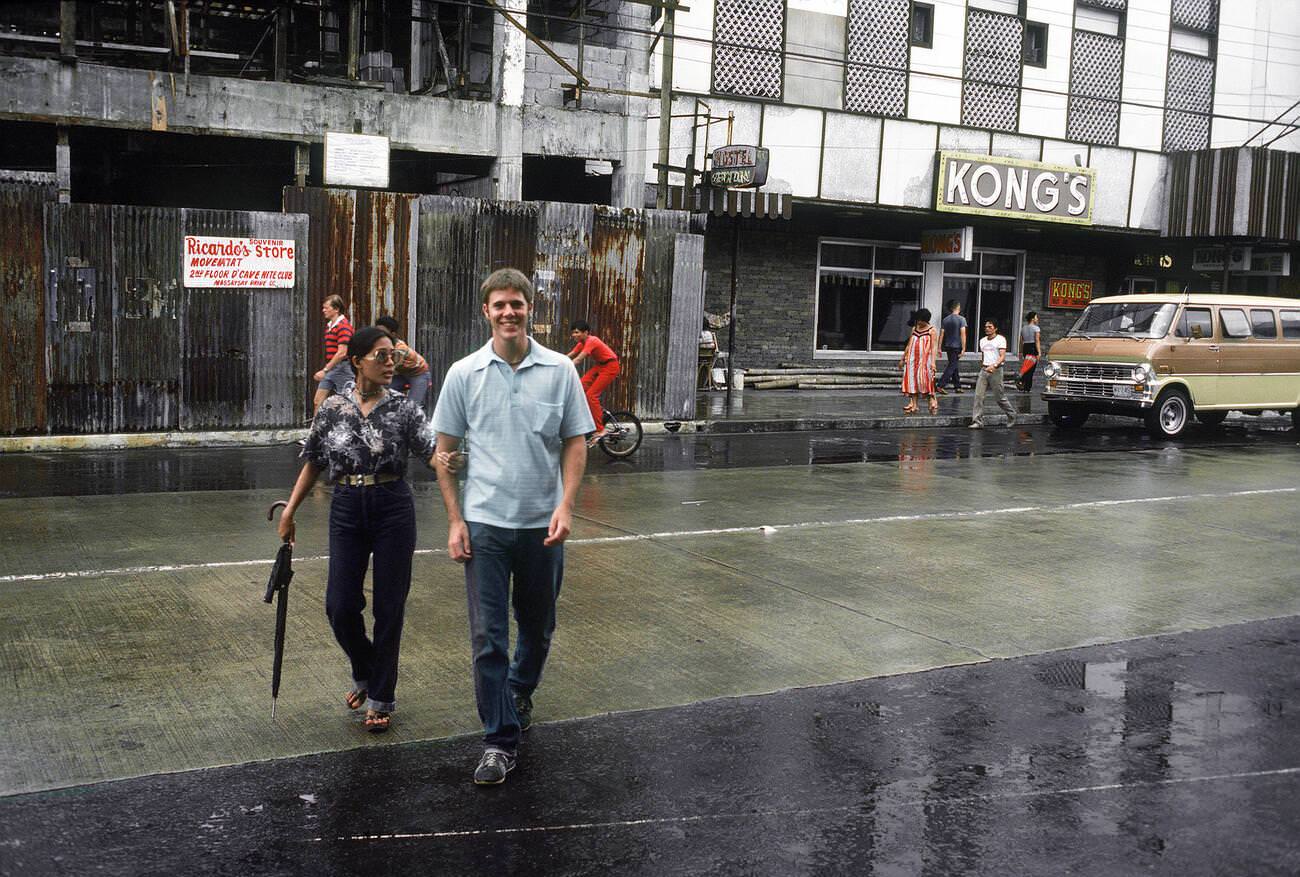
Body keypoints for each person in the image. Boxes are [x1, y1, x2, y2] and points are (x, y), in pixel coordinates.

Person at [431, 268, 593, 786]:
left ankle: (520, 689)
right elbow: (444, 451)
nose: (508, 313)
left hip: (542, 525)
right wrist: (455, 519)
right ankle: (498, 740)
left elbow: (575, 441)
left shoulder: (560, 370)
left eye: (516, 304)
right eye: (499, 305)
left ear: (529, 308)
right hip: (485, 526)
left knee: (539, 627)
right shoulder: (463, 374)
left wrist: (567, 506)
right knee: (488, 637)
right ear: (486, 312)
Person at [276, 325, 437, 733]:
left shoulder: (403, 408)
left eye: (393, 357)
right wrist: (290, 510)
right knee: (340, 605)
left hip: (393, 507)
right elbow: (313, 459)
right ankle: (365, 670)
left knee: (389, 606)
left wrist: (457, 467)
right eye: (380, 356)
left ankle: (381, 696)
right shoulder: (333, 408)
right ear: (356, 360)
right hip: (346, 505)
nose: (390, 364)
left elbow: (435, 453)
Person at [566, 320, 621, 446]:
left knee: (591, 396)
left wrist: (565, 369)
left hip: (610, 366)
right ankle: (590, 416)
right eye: (573, 333)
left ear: (586, 333)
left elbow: (579, 359)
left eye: (577, 332)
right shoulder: (581, 343)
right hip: (600, 366)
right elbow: (570, 355)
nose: (574, 335)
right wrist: (556, 363)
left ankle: (601, 429)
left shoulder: (592, 341)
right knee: (579, 387)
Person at [969, 319, 1018, 429]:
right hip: (984, 370)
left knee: (999, 397)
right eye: (986, 327)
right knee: (978, 396)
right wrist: (983, 366)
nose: (987, 329)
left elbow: (1002, 356)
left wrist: (994, 366)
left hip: (996, 370)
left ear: (995, 328)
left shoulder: (1000, 339)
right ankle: (977, 421)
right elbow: (983, 355)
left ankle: (1011, 415)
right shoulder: (982, 341)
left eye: (990, 327)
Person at [375, 315, 432, 408]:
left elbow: (390, 368)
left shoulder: (400, 348)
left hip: (419, 374)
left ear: (392, 334)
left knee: (412, 407)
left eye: (382, 332)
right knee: (379, 393)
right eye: (376, 331)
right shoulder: (380, 344)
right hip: (403, 374)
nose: (378, 334)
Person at [312, 295, 354, 415]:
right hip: (332, 368)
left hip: (342, 369)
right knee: (318, 401)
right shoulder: (330, 326)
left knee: (348, 402)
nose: (323, 310)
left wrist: (325, 370)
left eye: (326, 308)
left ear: (336, 309)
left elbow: (342, 352)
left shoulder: (343, 326)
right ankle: (316, 430)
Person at [898, 308, 938, 415]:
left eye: (920, 320)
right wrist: (903, 358)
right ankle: (914, 405)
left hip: (925, 360)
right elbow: (909, 344)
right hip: (912, 359)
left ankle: (931, 400)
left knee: (925, 381)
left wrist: (933, 362)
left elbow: (934, 347)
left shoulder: (932, 330)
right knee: (912, 381)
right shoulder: (915, 329)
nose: (918, 322)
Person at [936, 300, 968, 394]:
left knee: (954, 365)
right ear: (958, 307)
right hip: (956, 346)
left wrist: (939, 347)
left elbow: (941, 334)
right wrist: (964, 348)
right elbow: (963, 334)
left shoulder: (945, 319)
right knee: (952, 365)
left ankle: (957, 386)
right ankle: (940, 385)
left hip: (948, 345)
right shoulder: (961, 319)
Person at [1018, 311, 1042, 391]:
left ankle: (1024, 384)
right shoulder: (1036, 328)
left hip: (1026, 347)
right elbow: (1037, 340)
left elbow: (1021, 341)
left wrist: (1020, 351)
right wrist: (1039, 352)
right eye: (1036, 317)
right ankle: (1025, 385)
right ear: (1032, 319)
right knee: (1031, 369)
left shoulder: (1023, 328)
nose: (1037, 319)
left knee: (1026, 367)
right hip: (1032, 348)